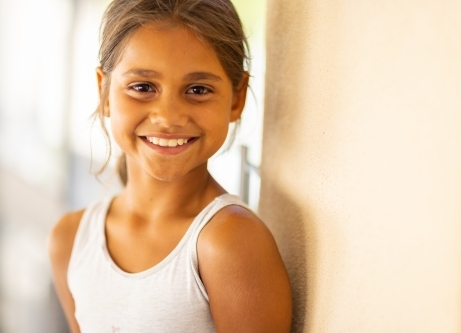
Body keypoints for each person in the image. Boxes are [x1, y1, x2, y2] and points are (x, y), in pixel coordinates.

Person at [48, 0, 292, 332]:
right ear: (103, 92)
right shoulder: (71, 238)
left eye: (198, 89)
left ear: (237, 99)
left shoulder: (231, 242)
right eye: (143, 87)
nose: (168, 117)